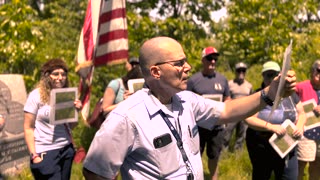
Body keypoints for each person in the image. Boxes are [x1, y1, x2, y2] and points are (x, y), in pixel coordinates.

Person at [82, 36, 296, 180]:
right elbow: (94, 171)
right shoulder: (126, 117)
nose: (188, 67)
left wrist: (269, 93)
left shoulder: (187, 101)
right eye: (179, 63)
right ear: (156, 72)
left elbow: (228, 111)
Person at [245, 61, 305, 180]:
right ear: (263, 76)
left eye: (275, 75)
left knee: (289, 177)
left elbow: (302, 113)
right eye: (268, 75)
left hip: (288, 144)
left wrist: (300, 126)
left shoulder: (290, 94)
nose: (272, 78)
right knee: (261, 175)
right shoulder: (258, 95)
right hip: (262, 145)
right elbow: (248, 118)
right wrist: (271, 127)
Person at [24, 58, 82, 180]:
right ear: (47, 76)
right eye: (55, 74)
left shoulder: (66, 95)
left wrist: (76, 111)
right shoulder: (36, 95)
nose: (60, 77)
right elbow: (28, 128)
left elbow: (71, 126)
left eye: (63, 74)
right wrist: (34, 155)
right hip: (46, 152)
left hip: (66, 150)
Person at [187, 46, 231, 180]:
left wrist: (227, 108)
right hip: (198, 127)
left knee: (214, 156)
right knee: (195, 155)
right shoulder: (193, 80)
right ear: (203, 60)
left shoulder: (222, 80)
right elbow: (186, 101)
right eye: (209, 58)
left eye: (215, 59)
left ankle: (214, 178)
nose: (213, 61)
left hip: (217, 127)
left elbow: (227, 98)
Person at [295, 60, 320, 180]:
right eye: (318, 69)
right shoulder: (301, 87)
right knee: (300, 165)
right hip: (306, 133)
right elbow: (287, 99)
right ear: (312, 71)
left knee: (317, 166)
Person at [224, 62, 253, 152]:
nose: (241, 72)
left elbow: (251, 100)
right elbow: (225, 99)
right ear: (235, 72)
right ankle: (223, 154)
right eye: (239, 70)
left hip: (244, 114)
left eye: (243, 70)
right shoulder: (229, 84)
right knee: (226, 134)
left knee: (241, 136)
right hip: (232, 114)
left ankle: (237, 155)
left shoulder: (249, 86)